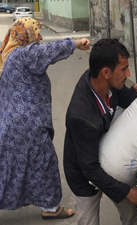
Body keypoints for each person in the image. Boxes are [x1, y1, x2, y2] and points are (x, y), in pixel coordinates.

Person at [63, 38, 137, 225]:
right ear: (106, 72)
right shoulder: (82, 116)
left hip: (111, 157)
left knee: (131, 215)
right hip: (84, 174)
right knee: (89, 221)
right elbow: (90, 169)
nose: (129, 73)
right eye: (124, 69)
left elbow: (125, 97)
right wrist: (127, 192)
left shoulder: (105, 83)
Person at [0, 18, 90, 219]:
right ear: (25, 34)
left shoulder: (8, 56)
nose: (39, 37)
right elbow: (49, 51)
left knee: (11, 166)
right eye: (36, 32)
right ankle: (51, 209)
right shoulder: (26, 54)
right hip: (29, 124)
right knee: (44, 163)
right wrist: (75, 43)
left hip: (10, 124)